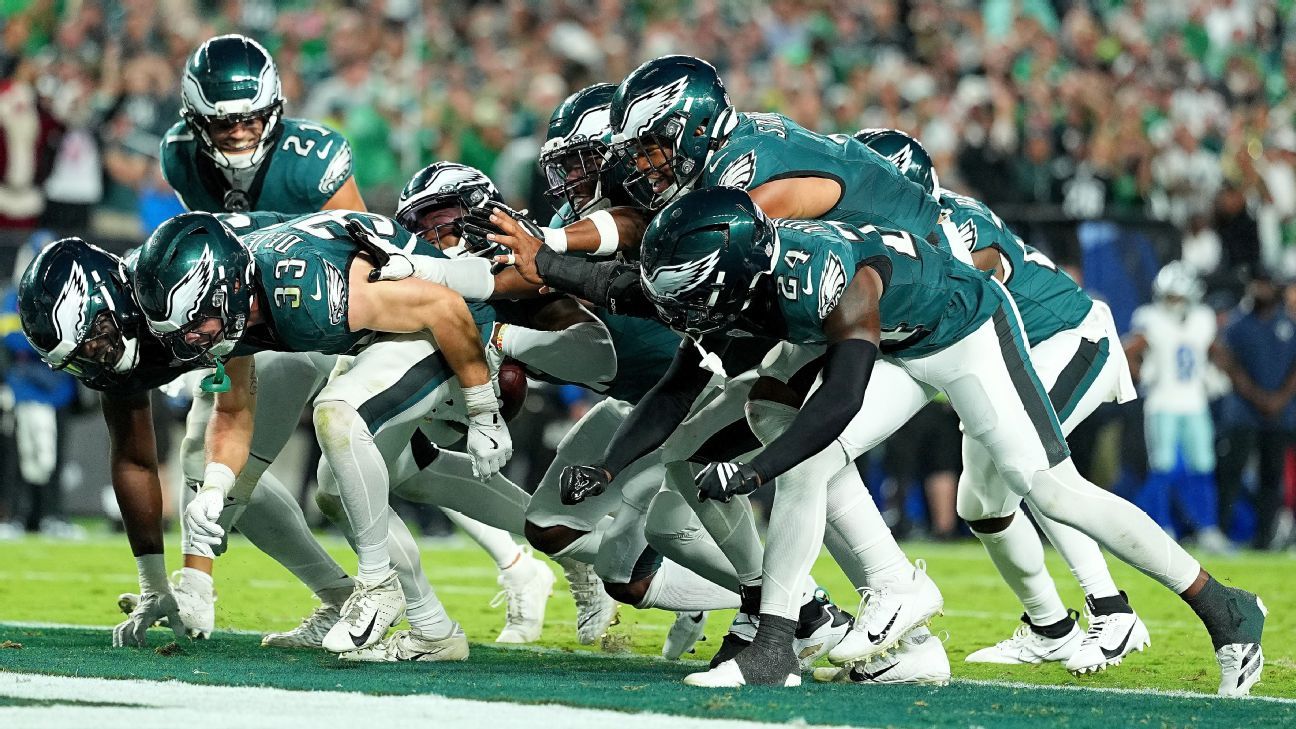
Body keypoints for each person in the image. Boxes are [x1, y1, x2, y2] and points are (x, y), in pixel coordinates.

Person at [618, 187, 1262, 695]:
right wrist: (611, 464)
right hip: (903, 345)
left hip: (965, 334)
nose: (694, 307)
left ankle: (1223, 608)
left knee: (1051, 490)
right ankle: (781, 643)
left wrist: (755, 472)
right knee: (800, 451)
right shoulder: (766, 270)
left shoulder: (827, 274)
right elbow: (684, 383)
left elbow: (840, 400)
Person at [130, 209, 511, 656]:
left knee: (338, 415)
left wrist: (483, 408)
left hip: (464, 331)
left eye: (196, 324)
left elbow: (444, 307)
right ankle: (547, 544)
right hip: (384, 336)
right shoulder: (235, 304)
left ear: (226, 291)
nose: (192, 340)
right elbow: (232, 411)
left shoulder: (308, 290)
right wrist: (215, 486)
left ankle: (380, 584)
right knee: (344, 487)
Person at [1126, 261, 1232, 552]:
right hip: (1162, 403)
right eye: (1169, 296)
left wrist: (1223, 374)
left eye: (1177, 297)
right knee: (1162, 468)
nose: (1172, 303)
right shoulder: (1150, 319)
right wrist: (1138, 375)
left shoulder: (1202, 318)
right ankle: (1162, 527)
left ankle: (1207, 528)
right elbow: (1127, 350)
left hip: (1195, 402)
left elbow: (1217, 351)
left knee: (1203, 467)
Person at [1213, 272, 1296, 549]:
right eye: (1256, 284)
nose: (1260, 289)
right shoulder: (1237, 323)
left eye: (1264, 284)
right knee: (1231, 473)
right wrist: (1259, 397)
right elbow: (1227, 362)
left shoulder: (1289, 322)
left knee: (1272, 477)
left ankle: (1264, 538)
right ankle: (1221, 533)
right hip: (1243, 412)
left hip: (1280, 413)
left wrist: (1280, 398)